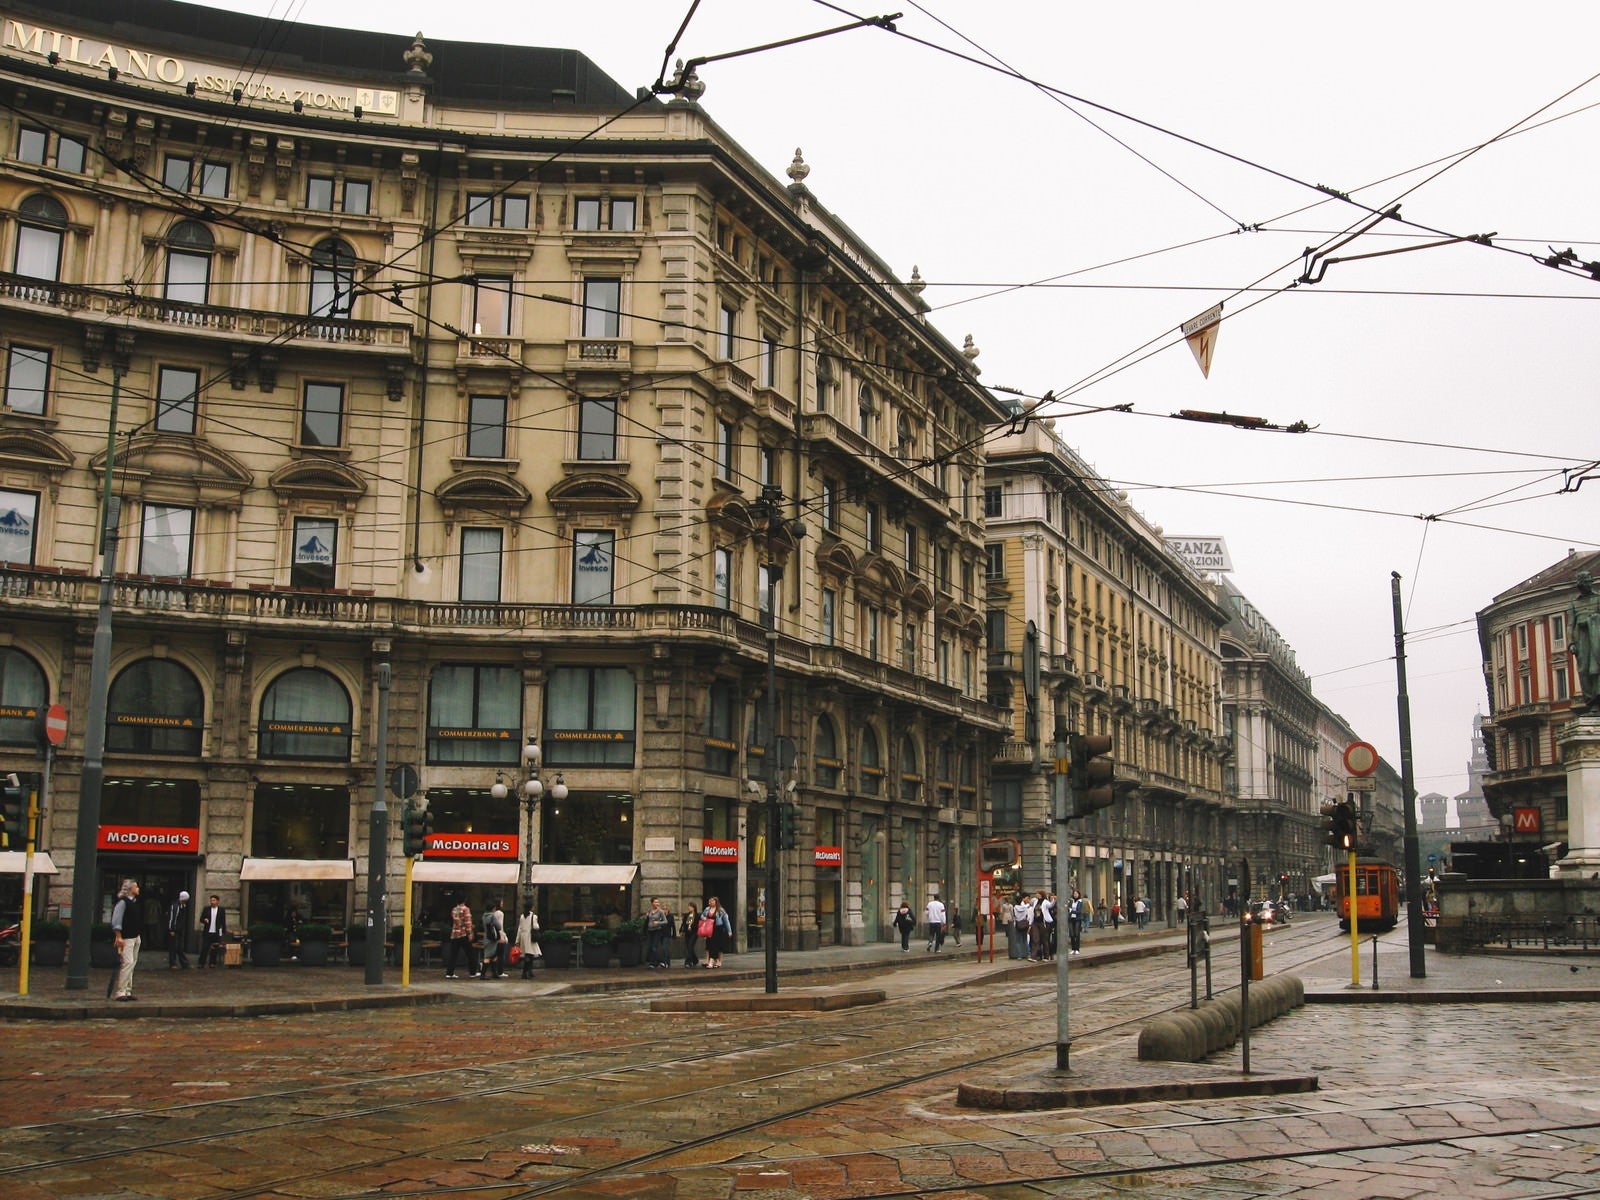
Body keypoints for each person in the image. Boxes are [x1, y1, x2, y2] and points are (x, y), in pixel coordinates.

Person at [111, 879, 141, 1000]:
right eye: (136, 886)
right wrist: (118, 937)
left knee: (131, 963)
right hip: (127, 937)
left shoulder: (133, 902)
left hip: (135, 936)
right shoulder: (123, 902)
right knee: (127, 963)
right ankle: (121, 991)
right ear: (130, 889)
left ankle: (127, 990)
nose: (138, 888)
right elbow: (116, 921)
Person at [445, 896, 477, 979]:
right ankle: (473, 972)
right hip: (463, 934)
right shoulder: (466, 909)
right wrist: (470, 933)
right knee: (471, 953)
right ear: (465, 900)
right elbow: (467, 922)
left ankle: (449, 973)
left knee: (453, 954)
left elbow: (455, 921)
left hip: (455, 934)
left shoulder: (454, 909)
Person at [701, 896, 732, 967]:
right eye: (710, 901)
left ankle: (714, 961)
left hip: (718, 929)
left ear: (716, 902)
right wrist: (705, 918)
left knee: (716, 945)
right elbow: (702, 916)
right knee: (709, 944)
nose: (711, 902)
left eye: (712, 901)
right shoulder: (707, 909)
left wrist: (729, 931)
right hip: (709, 928)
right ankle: (712, 960)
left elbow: (726, 921)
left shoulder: (721, 910)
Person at [198, 895, 227, 967]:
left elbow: (223, 921)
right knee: (205, 948)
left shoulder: (221, 910)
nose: (212, 902)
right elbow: (201, 919)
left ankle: (212, 963)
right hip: (208, 932)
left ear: (217, 901)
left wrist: (222, 932)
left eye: (214, 900)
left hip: (216, 932)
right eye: (211, 900)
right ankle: (201, 963)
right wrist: (204, 920)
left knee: (214, 948)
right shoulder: (206, 909)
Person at [644, 897, 673, 968]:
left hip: (657, 931)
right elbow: (648, 920)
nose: (657, 903)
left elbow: (665, 921)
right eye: (655, 902)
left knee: (654, 947)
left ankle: (654, 963)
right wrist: (647, 917)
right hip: (650, 931)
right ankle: (653, 962)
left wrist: (658, 922)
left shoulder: (660, 911)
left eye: (658, 902)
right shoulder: (650, 911)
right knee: (650, 947)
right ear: (652, 903)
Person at [481, 898, 507, 978]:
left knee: (493, 955)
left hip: (487, 936)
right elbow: (498, 926)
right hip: (493, 937)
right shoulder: (492, 916)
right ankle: (483, 974)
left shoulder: (484, 916)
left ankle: (494, 973)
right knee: (488, 956)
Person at [515, 904, 541, 979]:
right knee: (529, 954)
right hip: (530, 937)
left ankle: (528, 971)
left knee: (528, 954)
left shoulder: (522, 916)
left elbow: (520, 928)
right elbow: (536, 926)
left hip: (523, 937)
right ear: (531, 908)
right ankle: (525, 972)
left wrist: (517, 940)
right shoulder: (534, 916)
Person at [166, 890, 191, 969]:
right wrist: (171, 929)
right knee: (173, 947)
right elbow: (172, 918)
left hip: (180, 929)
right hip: (175, 929)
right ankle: (173, 963)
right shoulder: (175, 906)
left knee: (179, 947)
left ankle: (183, 963)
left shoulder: (182, 906)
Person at [1013, 892, 1033, 959]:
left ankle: (1019, 956)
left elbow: (1014, 916)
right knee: (1025, 940)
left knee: (1018, 941)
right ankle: (1028, 954)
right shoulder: (1025, 907)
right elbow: (1027, 916)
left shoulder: (1014, 908)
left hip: (1018, 924)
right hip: (1024, 924)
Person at [681, 903, 700, 967]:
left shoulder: (697, 915)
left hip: (694, 933)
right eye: (688, 906)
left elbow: (698, 924)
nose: (689, 908)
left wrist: (692, 927)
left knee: (690, 946)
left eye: (690, 907)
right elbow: (683, 923)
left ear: (694, 908)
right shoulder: (687, 915)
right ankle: (695, 960)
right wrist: (682, 930)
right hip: (687, 933)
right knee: (689, 947)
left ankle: (688, 962)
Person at [1067, 890, 1085, 956]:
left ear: (1078, 894)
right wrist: (1069, 909)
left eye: (1076, 894)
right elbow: (1068, 908)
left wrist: (1072, 911)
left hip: (1077, 919)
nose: (1075, 895)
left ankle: (1077, 949)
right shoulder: (1071, 901)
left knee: (1077, 934)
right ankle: (1073, 949)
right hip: (1071, 919)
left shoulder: (1080, 901)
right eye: (1074, 893)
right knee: (1072, 934)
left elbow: (1079, 911)